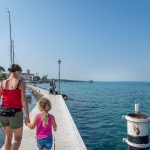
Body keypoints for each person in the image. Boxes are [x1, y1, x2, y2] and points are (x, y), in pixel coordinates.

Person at [0, 64, 30, 150]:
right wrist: (27, 115)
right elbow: (24, 100)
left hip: (3, 113)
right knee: (17, 138)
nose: (20, 75)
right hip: (15, 113)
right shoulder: (20, 83)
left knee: (8, 137)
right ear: (17, 72)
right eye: (20, 73)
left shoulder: (2, 83)